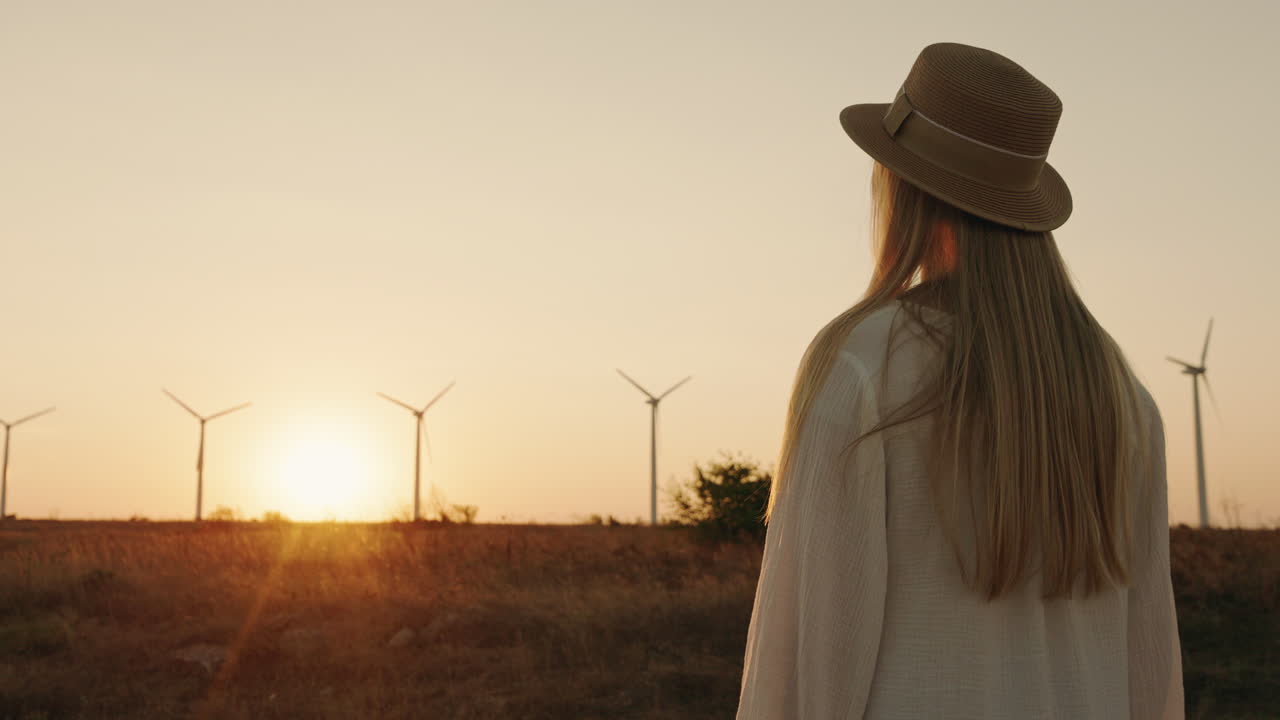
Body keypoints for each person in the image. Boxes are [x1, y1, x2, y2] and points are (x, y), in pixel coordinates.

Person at [735, 42, 1184, 719]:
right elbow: (1152, 658)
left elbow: (810, 647)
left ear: (903, 185)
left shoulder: (862, 363)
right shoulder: (1123, 394)